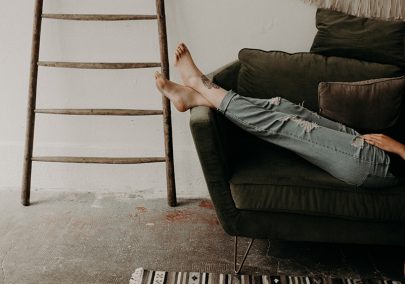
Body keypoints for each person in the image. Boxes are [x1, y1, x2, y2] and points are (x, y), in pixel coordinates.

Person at [155, 43, 405, 189]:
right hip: (369, 143)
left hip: (380, 165)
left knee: (286, 126)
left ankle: (201, 85)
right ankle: (197, 99)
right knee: (285, 108)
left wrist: (399, 148)